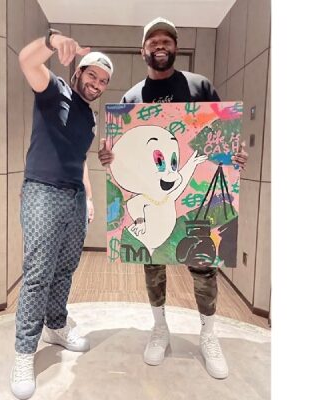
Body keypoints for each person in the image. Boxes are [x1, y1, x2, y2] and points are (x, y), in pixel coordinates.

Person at [98, 17, 248, 380]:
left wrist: (235, 153)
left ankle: (208, 335)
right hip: (152, 196)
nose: (160, 44)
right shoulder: (132, 98)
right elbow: (124, 154)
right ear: (143, 50)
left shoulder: (200, 86)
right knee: (153, 263)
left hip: (194, 192)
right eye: (153, 40)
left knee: (204, 265)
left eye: (167, 39)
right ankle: (160, 328)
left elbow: (222, 132)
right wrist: (109, 157)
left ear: (175, 48)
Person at [11, 28, 113, 399]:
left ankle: (55, 326)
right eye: (92, 75)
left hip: (74, 197)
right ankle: (24, 352)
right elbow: (26, 60)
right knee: (38, 273)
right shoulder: (54, 90)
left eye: (103, 81)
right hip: (42, 190)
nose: (96, 84)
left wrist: (89, 198)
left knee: (65, 268)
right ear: (78, 72)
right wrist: (52, 42)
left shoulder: (90, 116)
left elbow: (81, 159)